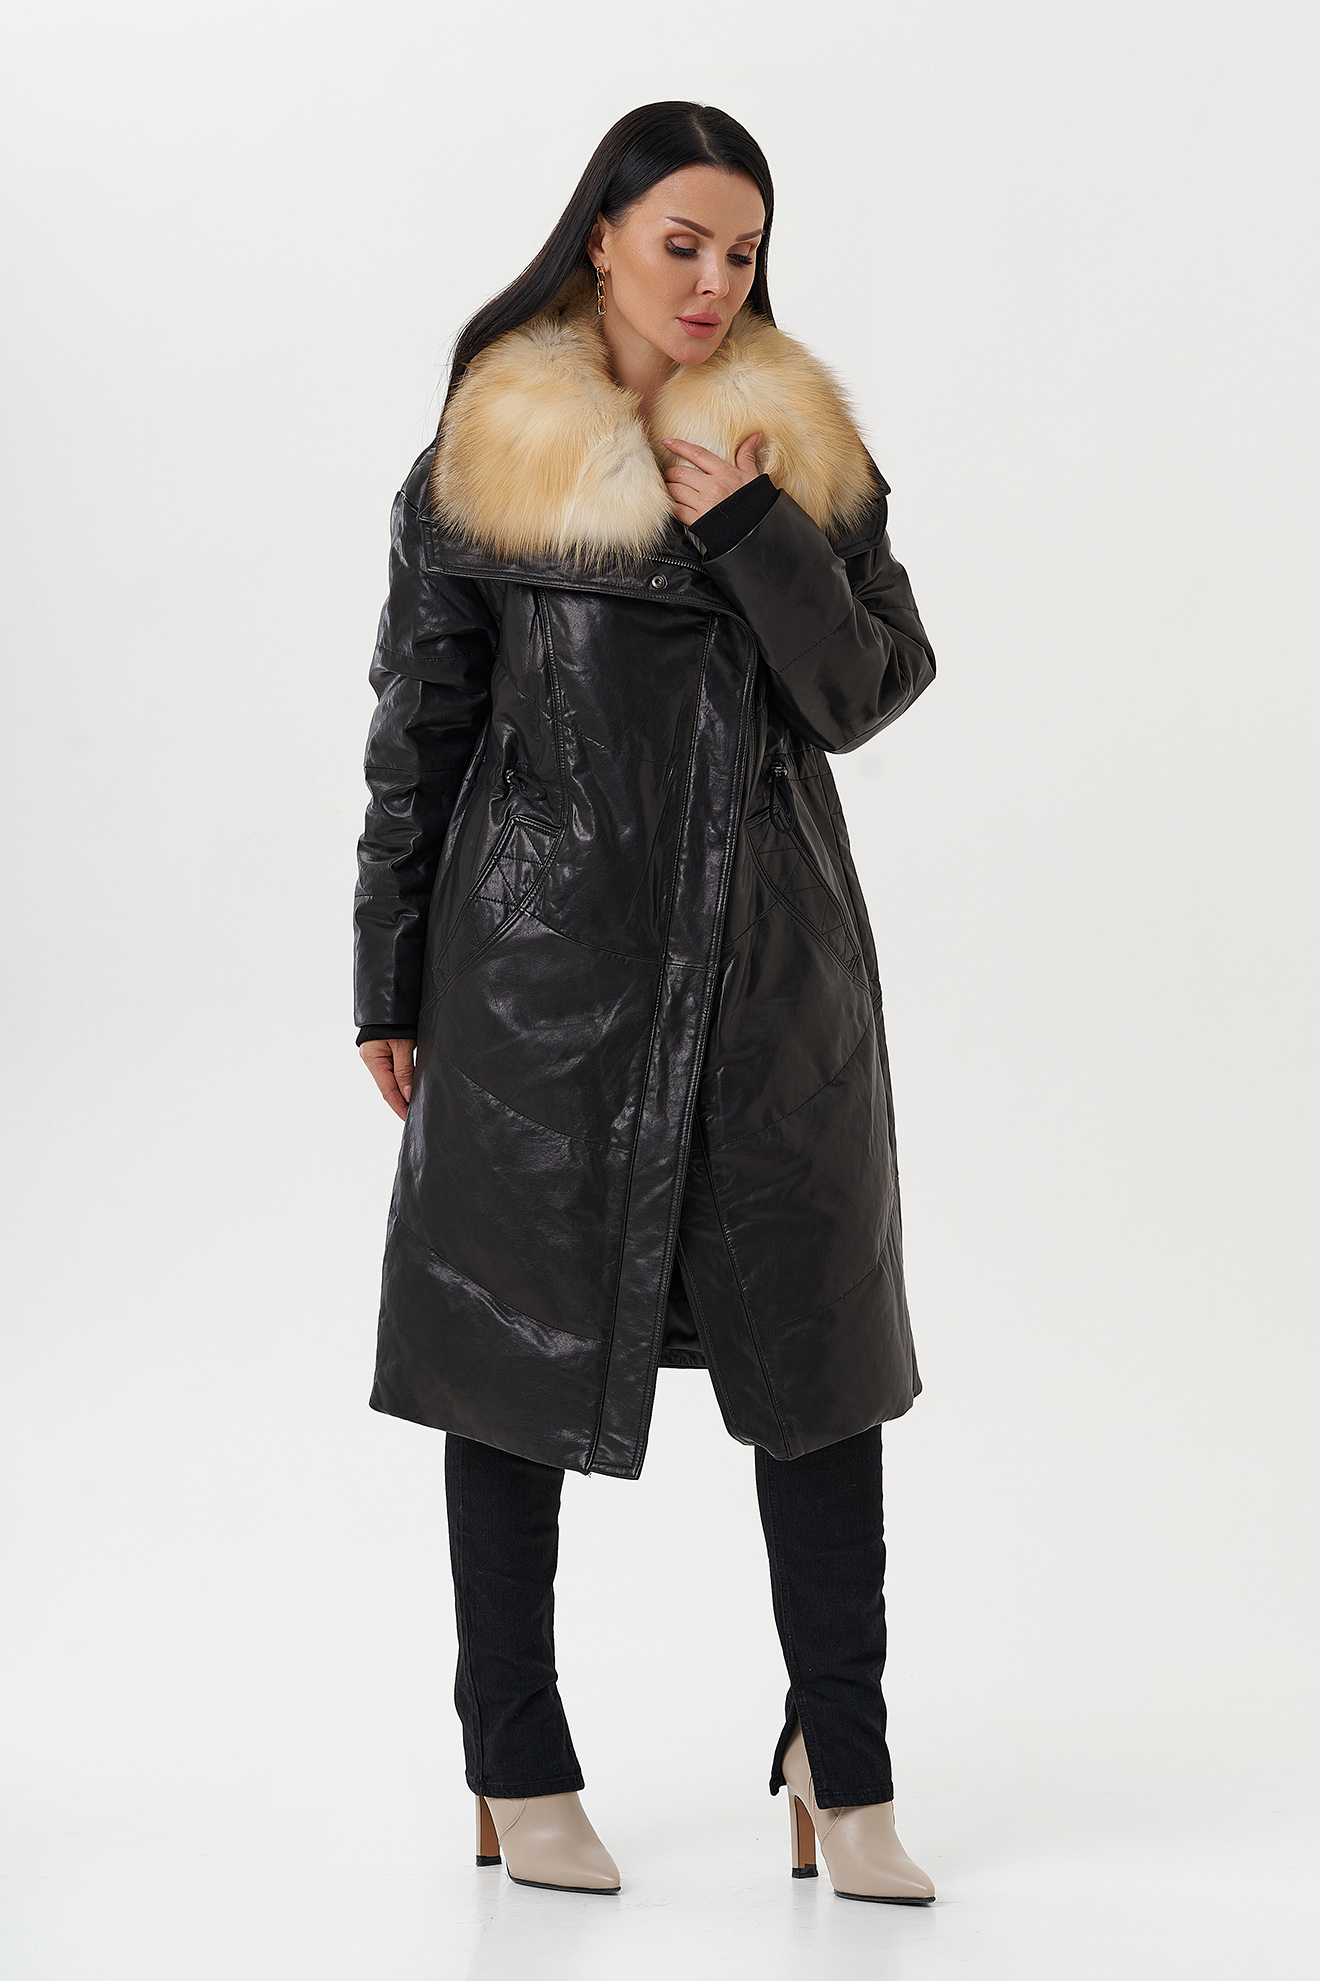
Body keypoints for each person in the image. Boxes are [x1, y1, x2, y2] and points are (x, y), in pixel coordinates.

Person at [353, 101, 938, 1904]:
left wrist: (753, 520)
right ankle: (514, 1755)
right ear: (599, 236)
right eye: (680, 242)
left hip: (775, 984)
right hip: (542, 986)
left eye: (741, 251)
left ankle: (845, 1756)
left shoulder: (796, 449)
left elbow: (867, 689)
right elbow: (419, 736)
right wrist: (388, 977)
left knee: (820, 1371)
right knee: (506, 1360)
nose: (712, 281)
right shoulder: (488, 454)